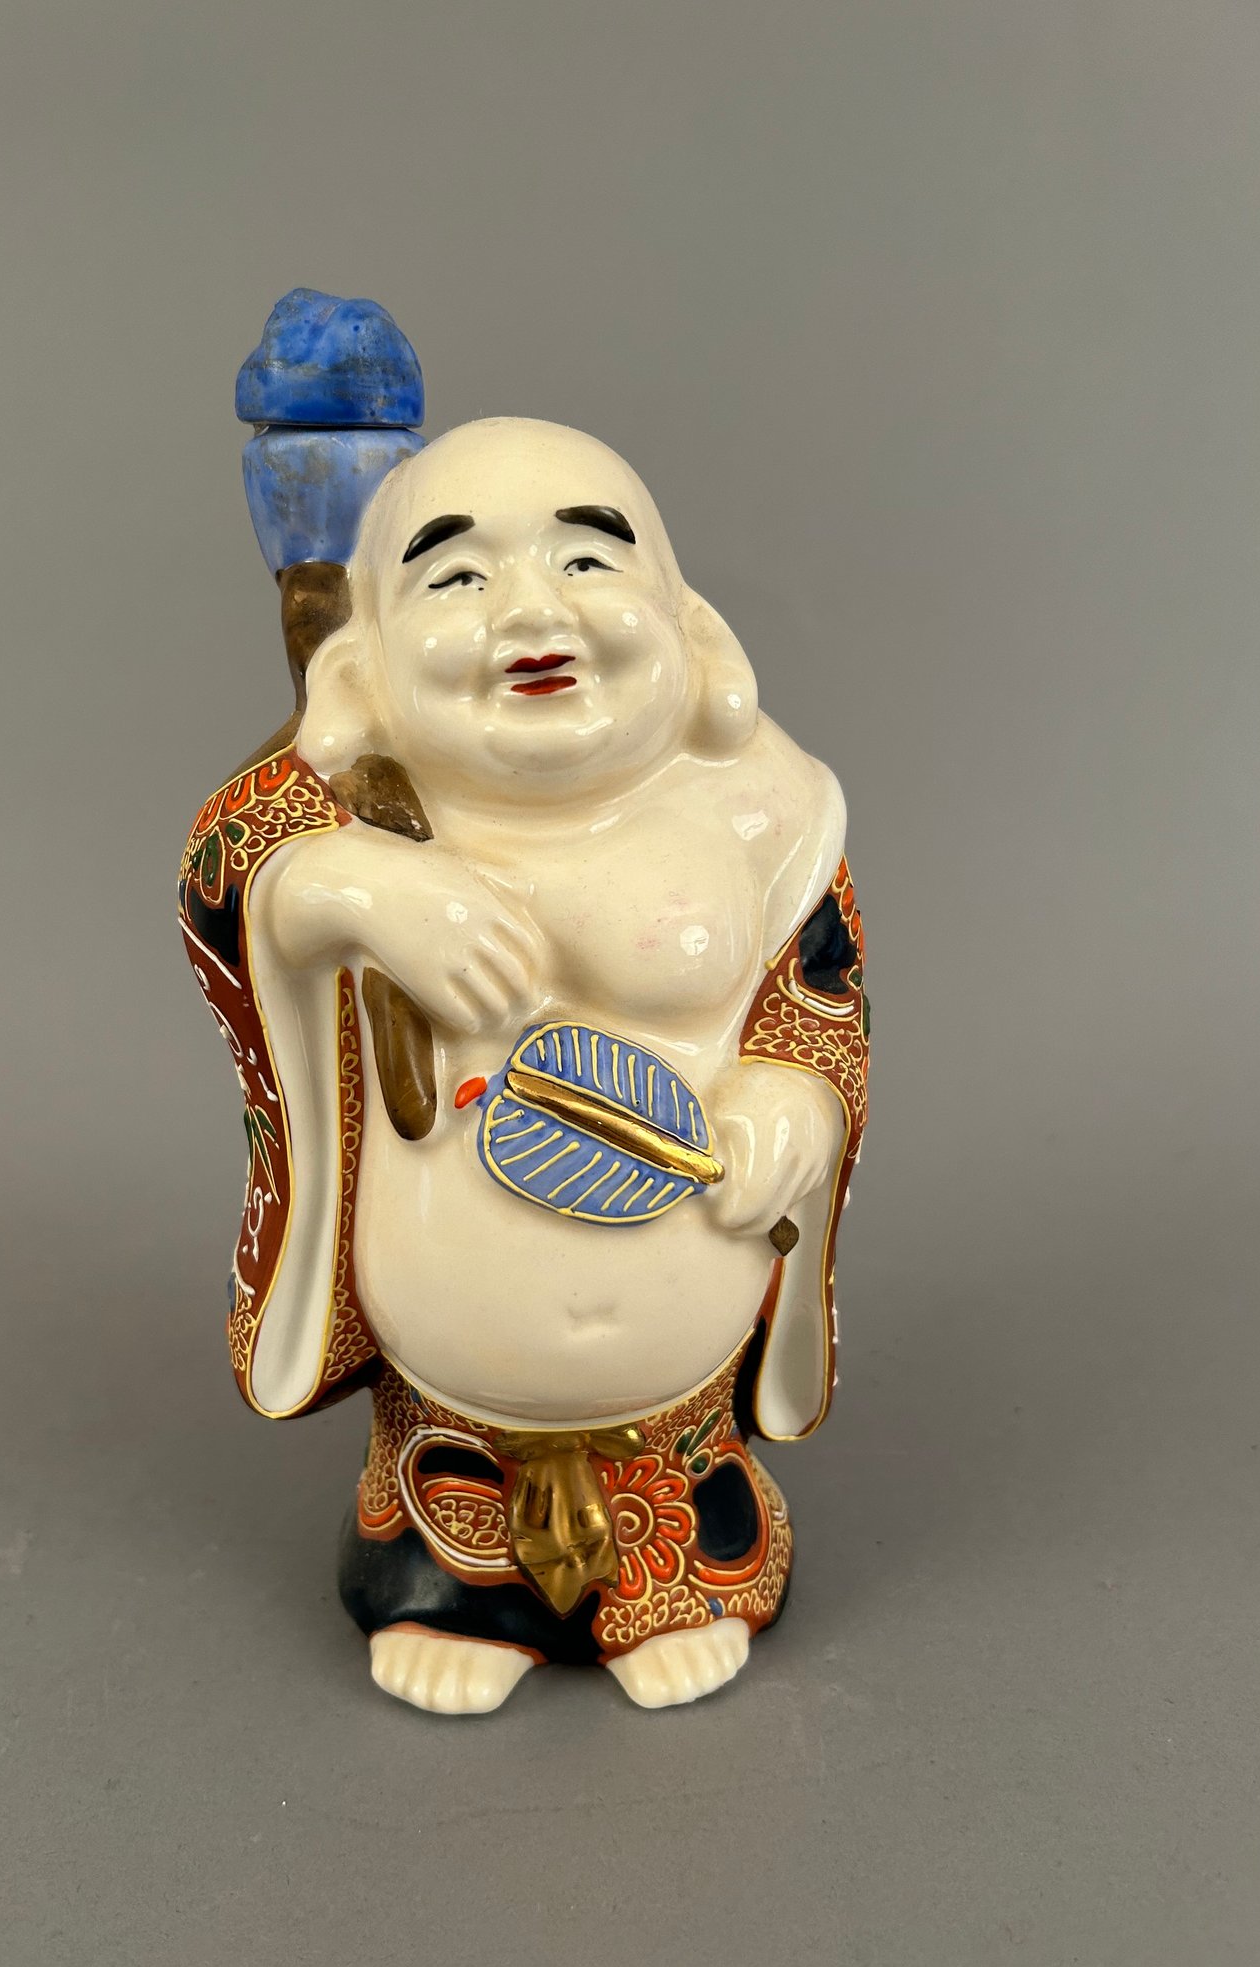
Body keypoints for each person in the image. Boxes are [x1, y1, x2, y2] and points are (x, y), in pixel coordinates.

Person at [178, 417, 868, 1712]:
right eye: (456, 577)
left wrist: (794, 1096)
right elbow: (227, 876)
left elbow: (819, 1002)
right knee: (451, 1509)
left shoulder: (768, 815)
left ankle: (671, 1569)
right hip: (448, 1381)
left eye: (588, 561)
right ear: (362, 671)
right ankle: (459, 1583)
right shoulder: (358, 817)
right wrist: (353, 890)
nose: (532, 613)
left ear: (698, 633)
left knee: (683, 1491)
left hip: (683, 1353)